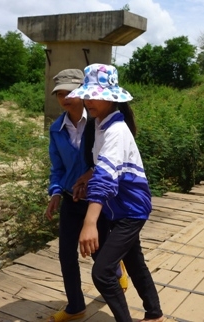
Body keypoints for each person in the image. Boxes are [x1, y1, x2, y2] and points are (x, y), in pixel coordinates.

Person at [67, 64, 164, 322]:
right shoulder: (101, 125)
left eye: (95, 95)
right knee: (133, 261)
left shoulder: (116, 131)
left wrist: (89, 223)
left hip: (130, 209)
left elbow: (106, 178)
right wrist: (87, 176)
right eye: (87, 95)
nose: (89, 101)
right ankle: (155, 314)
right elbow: (103, 168)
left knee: (103, 271)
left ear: (111, 98)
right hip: (119, 207)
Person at [45, 69, 128, 322]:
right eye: (59, 93)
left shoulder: (99, 123)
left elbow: (111, 158)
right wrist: (56, 192)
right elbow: (57, 167)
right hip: (71, 198)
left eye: (69, 92)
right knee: (65, 253)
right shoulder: (57, 129)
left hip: (96, 200)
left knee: (98, 253)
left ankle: (116, 270)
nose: (64, 98)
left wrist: (91, 173)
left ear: (83, 93)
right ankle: (76, 305)